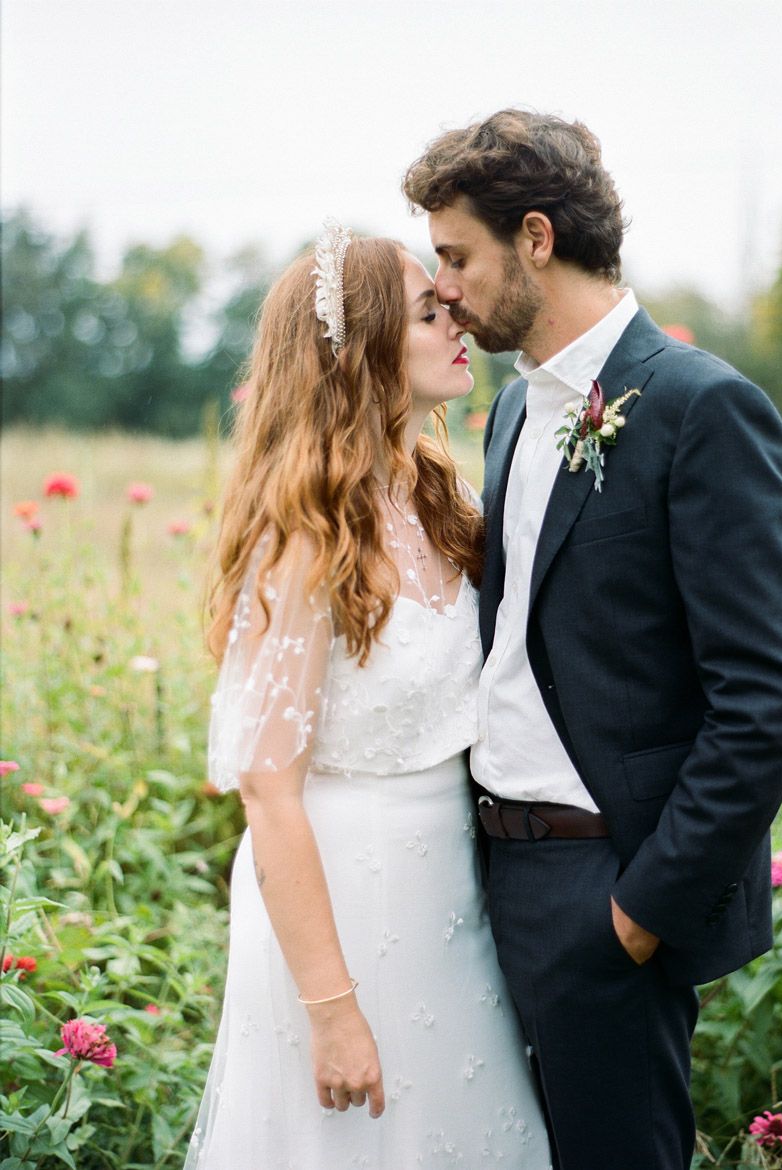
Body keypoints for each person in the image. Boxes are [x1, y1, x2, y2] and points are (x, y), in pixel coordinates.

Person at [403, 110, 782, 1170]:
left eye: (456, 255)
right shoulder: (509, 413)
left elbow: (768, 694)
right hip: (489, 879)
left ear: (535, 237)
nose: (440, 285)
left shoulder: (702, 408)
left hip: (607, 889)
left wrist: (642, 912)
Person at [184, 225, 553, 1169]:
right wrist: (332, 1008)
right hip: (343, 904)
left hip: (451, 896)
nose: (457, 317)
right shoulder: (305, 533)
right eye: (430, 312)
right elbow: (268, 787)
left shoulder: (435, 493)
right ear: (362, 352)